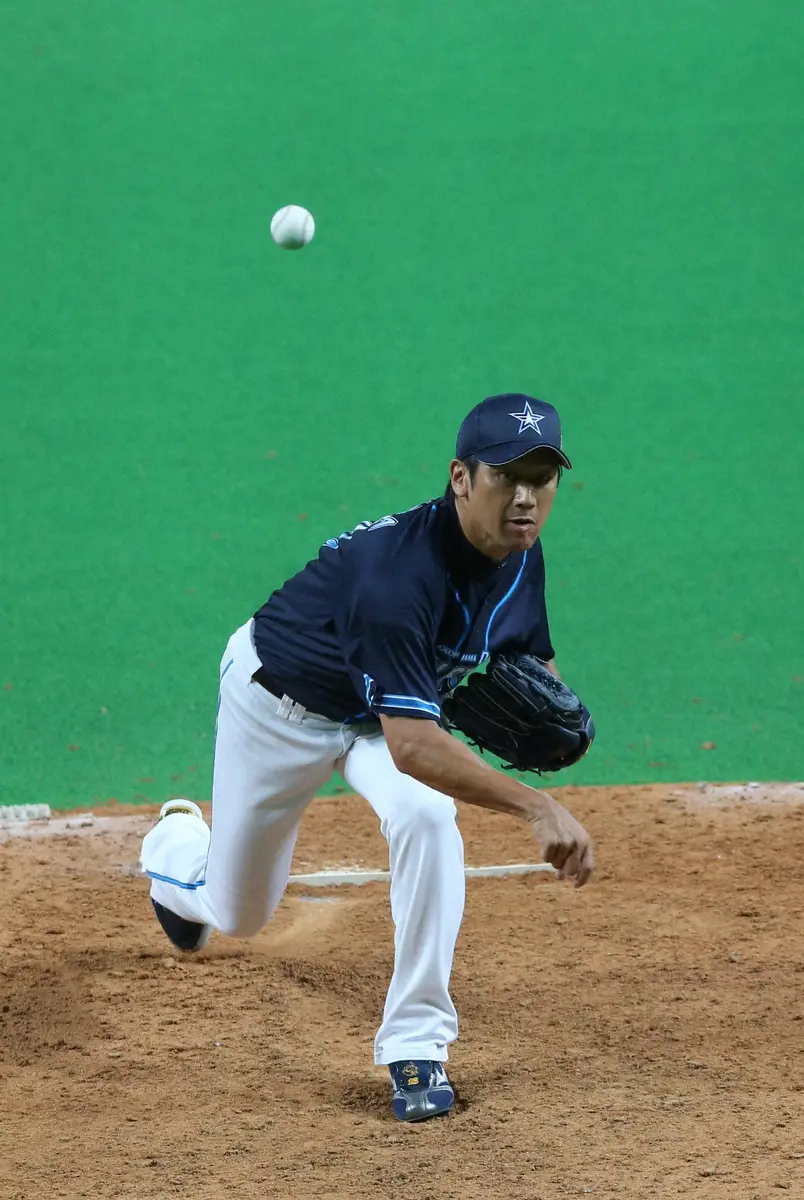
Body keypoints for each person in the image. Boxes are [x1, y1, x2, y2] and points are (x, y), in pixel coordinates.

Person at [140, 392, 594, 1122]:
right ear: (460, 478)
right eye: (507, 476)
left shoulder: (519, 553)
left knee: (428, 818)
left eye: (541, 480)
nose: (525, 497)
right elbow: (413, 745)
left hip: (377, 715)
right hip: (279, 707)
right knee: (238, 913)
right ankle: (174, 848)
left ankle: (417, 1043)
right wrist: (534, 805)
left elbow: (527, 653)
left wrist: (556, 713)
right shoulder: (395, 576)